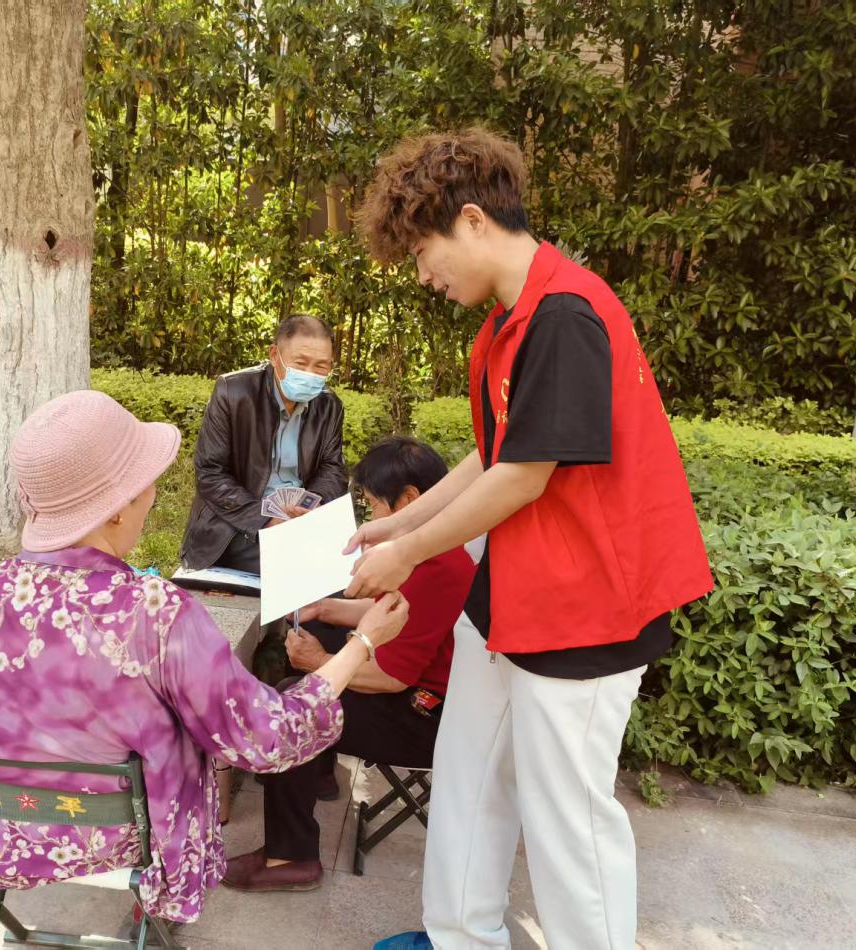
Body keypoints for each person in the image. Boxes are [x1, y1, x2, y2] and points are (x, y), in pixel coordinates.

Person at [346, 129, 714, 950]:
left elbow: (523, 476)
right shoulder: (512, 319)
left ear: (472, 221)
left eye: (423, 252)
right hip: (510, 599)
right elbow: (495, 451)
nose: (423, 275)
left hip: (586, 611)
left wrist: (406, 554)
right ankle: (456, 937)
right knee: (470, 783)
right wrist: (400, 522)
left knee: (567, 823)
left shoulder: (566, 314)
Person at [0, 390, 410, 924]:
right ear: (115, 508)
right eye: (145, 483)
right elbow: (267, 737)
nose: (152, 494)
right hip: (127, 837)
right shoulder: (153, 611)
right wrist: (362, 644)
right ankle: (156, 911)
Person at [221, 437, 476, 893]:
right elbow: (388, 612)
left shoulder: (438, 567)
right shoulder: (434, 550)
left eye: (374, 504)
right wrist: (326, 609)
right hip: (426, 693)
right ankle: (316, 771)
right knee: (322, 633)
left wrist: (321, 662)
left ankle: (290, 857)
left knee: (294, 704)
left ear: (409, 500)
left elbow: (391, 678)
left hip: (424, 717)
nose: (371, 516)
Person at [180, 314, 348, 574]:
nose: (310, 374)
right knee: (295, 567)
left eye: (321, 367)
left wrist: (311, 508)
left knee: (349, 561)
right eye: (301, 363)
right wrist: (265, 518)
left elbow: (332, 468)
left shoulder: (329, 406)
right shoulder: (233, 392)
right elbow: (210, 472)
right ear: (274, 355)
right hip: (238, 522)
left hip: (300, 520)